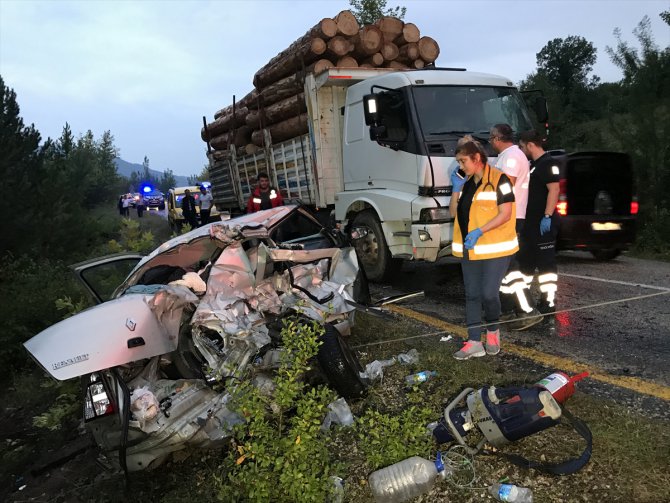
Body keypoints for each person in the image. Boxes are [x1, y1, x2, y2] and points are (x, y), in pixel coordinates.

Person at [449, 138, 518, 360]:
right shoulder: (466, 183)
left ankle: (493, 331)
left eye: (463, 161)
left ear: (477, 158)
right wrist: (455, 190)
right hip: (471, 250)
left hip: (496, 249)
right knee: (472, 295)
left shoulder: (501, 180)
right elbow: (453, 214)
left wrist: (480, 230)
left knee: (489, 294)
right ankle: (473, 342)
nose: (460, 166)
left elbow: (505, 213)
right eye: (459, 161)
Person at [490, 124, 543, 330]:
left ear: (496, 138)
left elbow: (505, 186)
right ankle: (506, 310)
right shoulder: (511, 155)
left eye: (490, 139)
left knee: (510, 268)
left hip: (509, 217)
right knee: (505, 267)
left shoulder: (511, 157)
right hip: (510, 216)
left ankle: (527, 310)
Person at [516, 130, 561, 316]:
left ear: (530, 144)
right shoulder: (533, 164)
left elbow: (554, 190)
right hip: (529, 224)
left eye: (521, 146)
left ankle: (548, 302)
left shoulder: (548, 163)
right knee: (525, 263)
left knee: (546, 266)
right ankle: (523, 301)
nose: (521, 150)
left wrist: (548, 216)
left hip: (543, 223)